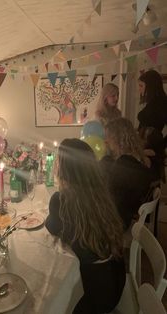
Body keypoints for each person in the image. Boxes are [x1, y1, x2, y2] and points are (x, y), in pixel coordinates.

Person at [45, 138, 125, 314]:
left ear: (62, 168)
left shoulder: (60, 200)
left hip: (93, 296)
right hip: (116, 281)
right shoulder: (101, 194)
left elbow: (50, 228)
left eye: (58, 161)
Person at [101, 118, 156, 230]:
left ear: (118, 138)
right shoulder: (138, 160)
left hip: (115, 221)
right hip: (125, 215)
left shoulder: (124, 163)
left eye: (108, 136)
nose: (105, 140)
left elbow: (109, 193)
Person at [137, 70, 167, 180]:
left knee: (150, 182)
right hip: (144, 144)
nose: (139, 89)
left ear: (150, 86)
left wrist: (160, 146)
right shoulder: (152, 102)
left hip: (152, 146)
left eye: (141, 85)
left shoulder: (162, 103)